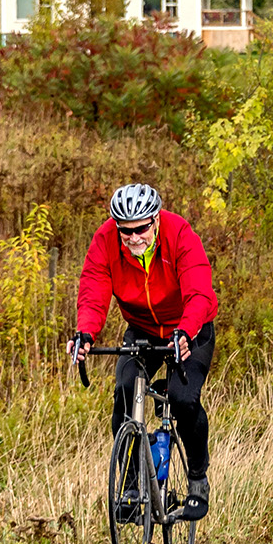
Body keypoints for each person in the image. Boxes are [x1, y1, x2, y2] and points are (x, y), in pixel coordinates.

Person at [69, 183, 219, 522]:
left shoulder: (179, 233)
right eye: (126, 232)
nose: (134, 237)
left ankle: (198, 479)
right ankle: (134, 484)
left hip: (189, 327)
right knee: (124, 391)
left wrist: (186, 330)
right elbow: (93, 287)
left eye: (141, 229)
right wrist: (86, 333)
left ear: (155, 220)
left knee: (183, 400)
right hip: (143, 330)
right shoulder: (106, 240)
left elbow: (198, 290)